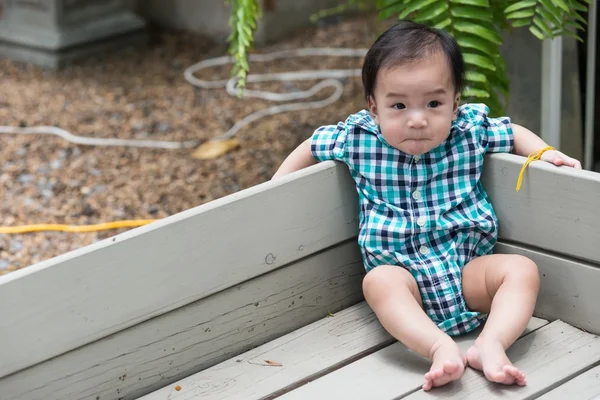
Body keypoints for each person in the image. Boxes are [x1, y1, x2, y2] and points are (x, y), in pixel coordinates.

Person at [271, 20, 582, 391]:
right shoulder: (357, 139)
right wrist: (277, 188)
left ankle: (491, 343)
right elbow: (311, 145)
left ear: (454, 104)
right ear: (374, 107)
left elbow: (512, 132)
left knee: (522, 269)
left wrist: (546, 153)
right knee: (378, 282)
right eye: (398, 105)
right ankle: (438, 347)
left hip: (467, 273)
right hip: (404, 281)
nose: (417, 120)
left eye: (434, 103)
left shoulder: (469, 131)